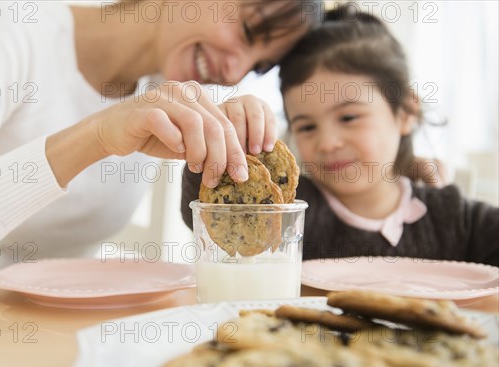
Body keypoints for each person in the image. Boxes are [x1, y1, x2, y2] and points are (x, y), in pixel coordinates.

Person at [0, 0, 323, 294]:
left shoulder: (169, 93)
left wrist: (238, 153)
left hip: (60, 334)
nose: (235, 70)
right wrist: (95, 137)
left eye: (258, 64)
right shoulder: (18, 28)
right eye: (248, 30)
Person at [181, 6, 499, 265]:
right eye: (306, 126)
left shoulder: (453, 218)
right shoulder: (288, 211)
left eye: (348, 117)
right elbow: (208, 206)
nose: (328, 143)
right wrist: (219, 142)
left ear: (405, 113)